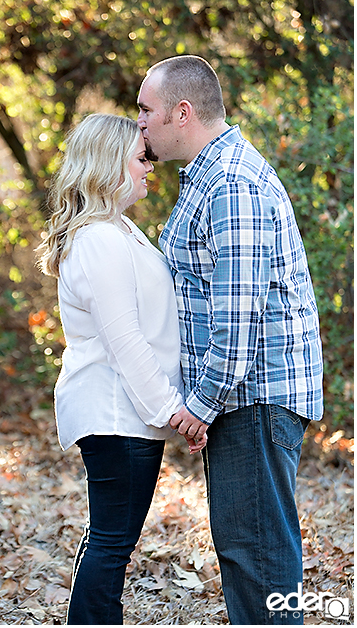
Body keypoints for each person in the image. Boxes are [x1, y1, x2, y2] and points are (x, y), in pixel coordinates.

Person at [137, 55, 324, 625]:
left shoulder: (232, 185)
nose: (139, 123)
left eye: (146, 111)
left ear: (182, 112)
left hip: (255, 401)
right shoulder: (209, 177)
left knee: (260, 565)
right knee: (249, 560)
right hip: (241, 403)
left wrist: (200, 405)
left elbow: (237, 319)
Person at [37, 113, 204, 624]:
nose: (149, 164)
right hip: (116, 412)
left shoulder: (117, 230)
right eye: (140, 157)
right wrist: (174, 411)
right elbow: (126, 339)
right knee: (112, 545)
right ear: (109, 167)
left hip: (127, 415)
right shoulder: (98, 240)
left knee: (110, 540)